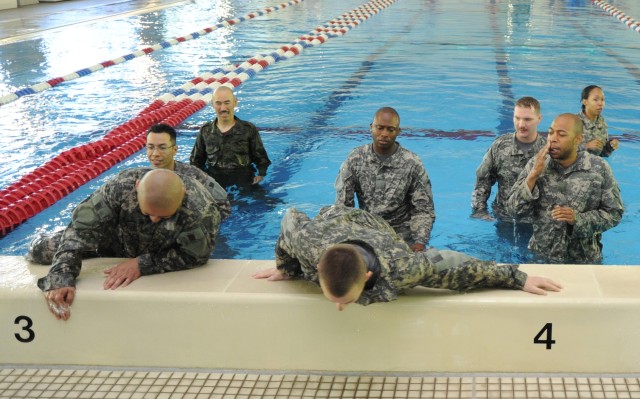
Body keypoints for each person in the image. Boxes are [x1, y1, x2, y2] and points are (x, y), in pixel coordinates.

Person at [252, 205, 562, 310]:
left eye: (345, 300)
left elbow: (457, 268)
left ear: (368, 278)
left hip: (373, 228)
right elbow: (291, 218)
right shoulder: (308, 243)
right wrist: (287, 267)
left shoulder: (403, 268)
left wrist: (517, 277)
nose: (338, 307)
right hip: (331, 222)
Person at [29, 168, 221, 320]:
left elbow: (196, 255)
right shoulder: (120, 187)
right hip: (113, 240)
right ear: (137, 187)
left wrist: (143, 263)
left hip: (163, 247)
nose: (154, 220)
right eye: (147, 213)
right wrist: (61, 275)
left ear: (183, 195)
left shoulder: (201, 209)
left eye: (164, 217)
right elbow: (81, 229)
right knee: (41, 252)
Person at [507, 113, 624, 264]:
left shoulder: (598, 169)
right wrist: (533, 176)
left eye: (561, 134)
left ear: (578, 139)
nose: (553, 139)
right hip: (540, 258)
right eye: (550, 133)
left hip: (583, 261)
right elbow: (513, 211)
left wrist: (578, 219)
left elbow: (614, 213)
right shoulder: (535, 165)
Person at [334, 107, 435, 252]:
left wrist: (419, 242)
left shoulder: (412, 163)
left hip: (401, 237)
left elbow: (423, 210)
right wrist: (347, 240)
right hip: (367, 232)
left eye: (390, 129)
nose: (384, 134)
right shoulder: (355, 159)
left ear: (398, 131)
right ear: (371, 128)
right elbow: (343, 206)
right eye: (380, 128)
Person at [471, 97, 546, 221]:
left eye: (527, 119)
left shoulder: (547, 151)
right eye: (517, 118)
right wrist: (480, 211)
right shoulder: (500, 146)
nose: (521, 124)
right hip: (504, 218)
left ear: (539, 119)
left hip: (536, 221)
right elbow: (483, 180)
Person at [189, 86, 271, 189]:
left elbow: (262, 160)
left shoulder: (248, 129)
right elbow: (196, 161)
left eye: (227, 103)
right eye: (218, 103)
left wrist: (261, 175)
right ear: (212, 104)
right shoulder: (205, 131)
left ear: (235, 103)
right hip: (214, 182)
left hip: (244, 179)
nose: (223, 108)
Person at [146, 123, 230, 219]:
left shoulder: (194, 175)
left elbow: (223, 205)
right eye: (151, 147)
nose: (155, 153)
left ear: (174, 150)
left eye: (162, 148)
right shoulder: (140, 177)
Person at [578, 85, 618, 157]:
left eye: (602, 99)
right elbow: (560, 151)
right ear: (585, 102)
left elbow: (602, 154)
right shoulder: (573, 122)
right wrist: (586, 146)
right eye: (595, 99)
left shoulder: (601, 122)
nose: (600, 103)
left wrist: (610, 146)